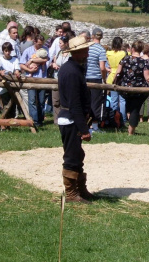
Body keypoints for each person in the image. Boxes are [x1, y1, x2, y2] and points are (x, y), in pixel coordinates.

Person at [56, 35, 95, 204]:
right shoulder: (71, 71)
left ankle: (80, 189)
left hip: (73, 119)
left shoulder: (74, 68)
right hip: (70, 120)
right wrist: (84, 129)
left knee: (78, 154)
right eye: (85, 49)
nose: (87, 52)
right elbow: (74, 104)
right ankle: (71, 194)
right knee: (72, 156)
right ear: (77, 51)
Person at [114, 40, 149, 136]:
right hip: (138, 90)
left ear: (132, 49)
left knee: (130, 107)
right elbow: (148, 78)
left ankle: (130, 128)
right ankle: (131, 132)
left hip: (125, 88)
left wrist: (114, 83)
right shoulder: (144, 62)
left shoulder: (125, 59)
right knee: (135, 109)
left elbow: (118, 73)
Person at [19, 35, 49, 127]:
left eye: (41, 44)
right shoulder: (28, 50)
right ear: (34, 42)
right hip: (31, 78)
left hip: (42, 78)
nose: (40, 46)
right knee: (32, 100)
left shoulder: (45, 50)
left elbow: (46, 59)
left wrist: (32, 60)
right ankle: (34, 120)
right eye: (38, 44)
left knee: (41, 100)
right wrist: (29, 70)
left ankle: (40, 119)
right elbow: (22, 64)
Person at [85, 28, 108, 131]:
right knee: (95, 102)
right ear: (101, 37)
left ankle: (85, 123)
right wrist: (104, 78)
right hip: (96, 78)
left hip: (85, 77)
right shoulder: (101, 50)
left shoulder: (87, 47)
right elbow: (102, 68)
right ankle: (94, 125)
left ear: (92, 36)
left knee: (85, 101)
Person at [106, 37, 127, 124]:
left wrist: (108, 69)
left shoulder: (108, 53)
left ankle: (113, 117)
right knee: (122, 100)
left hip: (111, 75)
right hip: (120, 76)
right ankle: (123, 118)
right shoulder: (123, 53)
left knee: (113, 99)